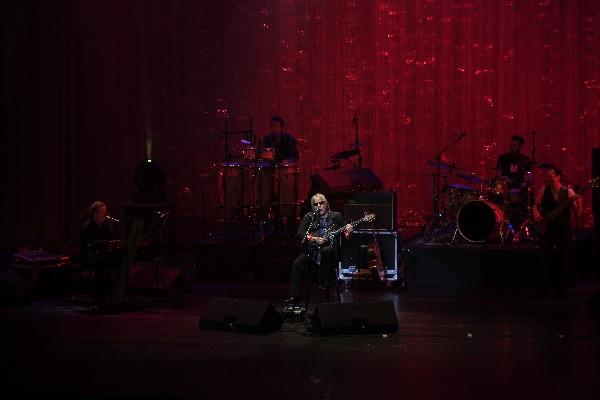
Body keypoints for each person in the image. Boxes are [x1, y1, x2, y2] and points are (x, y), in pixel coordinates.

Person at [285, 193, 353, 305]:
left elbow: (346, 236)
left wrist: (349, 231)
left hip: (329, 252)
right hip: (312, 251)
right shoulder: (309, 217)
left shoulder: (336, 216)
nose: (319, 206)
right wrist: (313, 239)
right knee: (297, 263)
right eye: (316, 204)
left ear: (326, 204)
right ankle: (295, 296)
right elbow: (300, 233)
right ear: (313, 207)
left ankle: (323, 283)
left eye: (321, 203)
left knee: (326, 251)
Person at [532, 167, 582, 299]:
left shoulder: (569, 192)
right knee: (545, 257)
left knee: (563, 257)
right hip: (547, 228)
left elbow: (577, 213)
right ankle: (545, 288)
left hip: (563, 229)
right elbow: (535, 205)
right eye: (546, 176)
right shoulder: (544, 190)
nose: (548, 178)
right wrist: (536, 214)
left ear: (558, 176)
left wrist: (579, 203)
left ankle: (561, 288)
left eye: (550, 176)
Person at [79, 201, 124, 299]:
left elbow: (109, 241)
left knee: (121, 259)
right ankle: (98, 292)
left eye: (105, 212)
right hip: (89, 255)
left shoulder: (106, 225)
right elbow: (86, 246)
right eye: (102, 212)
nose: (105, 215)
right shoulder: (87, 227)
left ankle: (116, 291)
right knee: (101, 262)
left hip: (102, 253)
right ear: (95, 213)